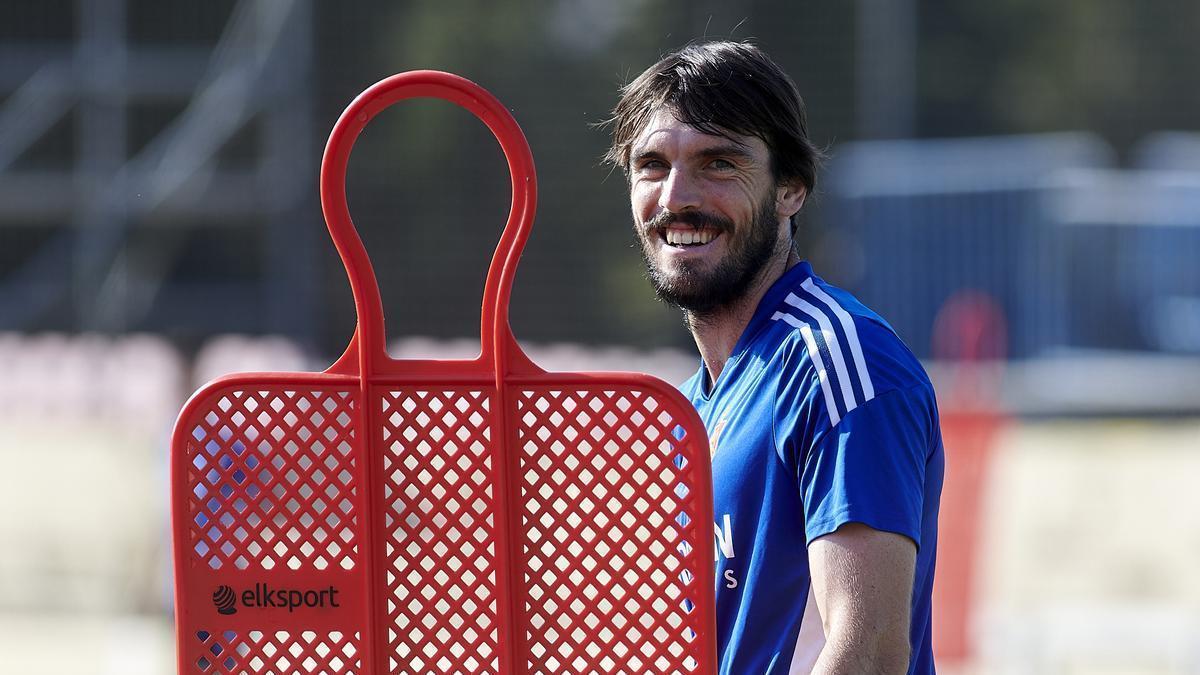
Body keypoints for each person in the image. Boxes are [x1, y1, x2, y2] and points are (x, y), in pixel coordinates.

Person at [604, 41, 944, 674]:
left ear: (791, 188)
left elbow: (867, 656)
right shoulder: (692, 401)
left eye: (719, 163)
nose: (677, 197)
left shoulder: (841, 364)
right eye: (651, 165)